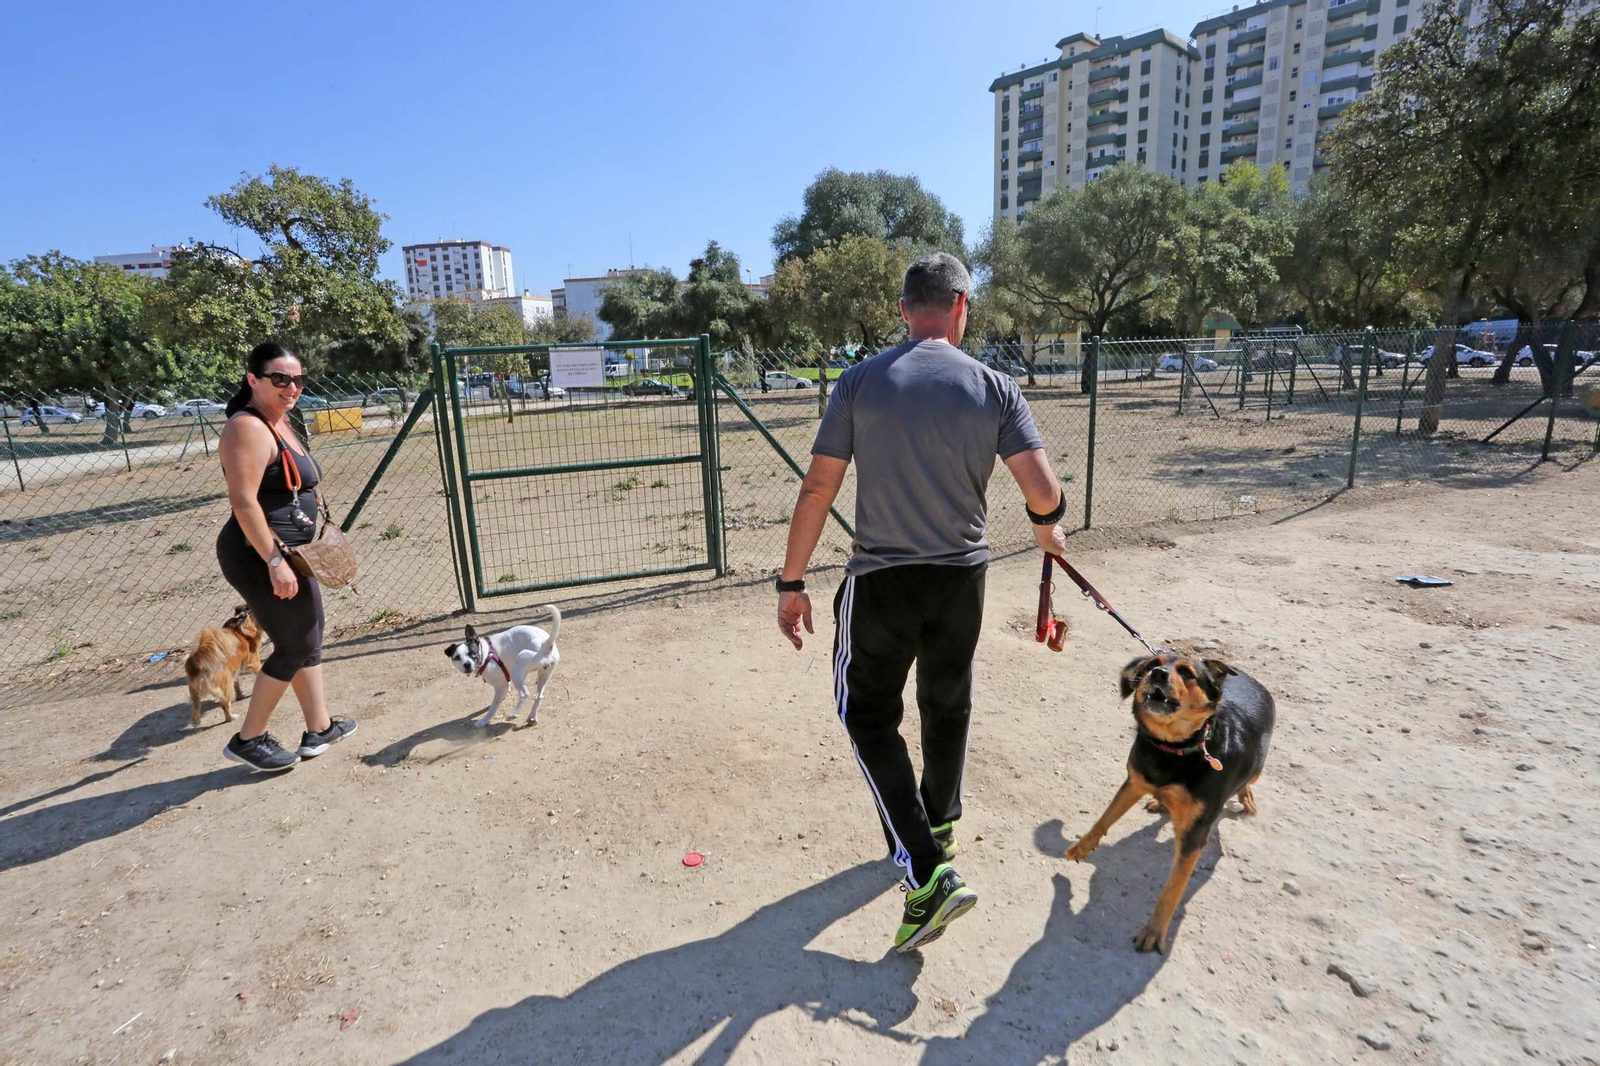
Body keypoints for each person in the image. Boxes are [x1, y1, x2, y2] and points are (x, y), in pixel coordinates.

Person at [775, 252, 1068, 953]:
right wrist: (1044, 528)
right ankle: (937, 820)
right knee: (947, 700)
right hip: (962, 578)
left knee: (866, 715)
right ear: (963, 307)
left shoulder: (860, 381)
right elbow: (1041, 488)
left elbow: (818, 490)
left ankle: (927, 874)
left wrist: (791, 583)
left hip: (882, 581)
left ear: (905, 311)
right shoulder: (996, 387)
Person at [214, 342, 356, 772]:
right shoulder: (248, 427)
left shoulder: (279, 422)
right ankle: (248, 738)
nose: (291, 387)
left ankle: (320, 727)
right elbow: (243, 503)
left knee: (308, 636)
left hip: (294, 554)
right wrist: (275, 561)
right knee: (295, 644)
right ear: (253, 380)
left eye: (297, 379)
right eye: (280, 378)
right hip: (259, 554)